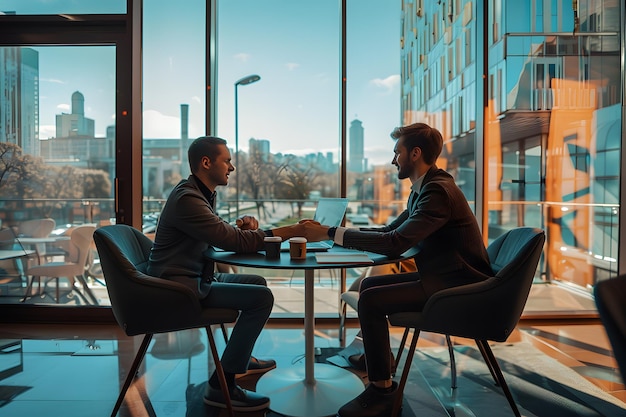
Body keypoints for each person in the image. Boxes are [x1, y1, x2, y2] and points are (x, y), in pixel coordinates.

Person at [306, 122, 493, 417]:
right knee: (367, 287)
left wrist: (330, 233)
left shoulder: (438, 193)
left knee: (370, 299)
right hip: (443, 276)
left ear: (415, 154)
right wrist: (336, 233)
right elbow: (389, 231)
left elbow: (394, 244)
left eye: (397, 153)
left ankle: (382, 392)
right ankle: (379, 359)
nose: (393, 160)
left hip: (457, 287)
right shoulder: (424, 189)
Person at [147, 136, 317, 412]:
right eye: (227, 160)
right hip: (181, 288)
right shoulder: (188, 199)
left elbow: (221, 233)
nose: (232, 167)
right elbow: (233, 242)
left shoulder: (197, 193)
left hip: (194, 277)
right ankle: (220, 385)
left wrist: (244, 230)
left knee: (257, 283)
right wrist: (292, 231)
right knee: (261, 299)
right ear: (206, 162)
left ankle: (239, 357)